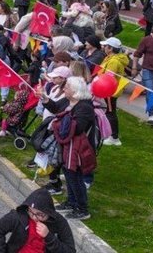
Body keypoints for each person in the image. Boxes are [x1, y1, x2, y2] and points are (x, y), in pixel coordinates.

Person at [42, 77, 96, 220]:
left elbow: (77, 128)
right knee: (68, 174)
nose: (63, 89)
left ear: (75, 90)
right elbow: (55, 108)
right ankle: (71, 202)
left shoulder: (85, 107)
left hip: (78, 149)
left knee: (76, 177)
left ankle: (82, 209)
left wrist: (57, 122)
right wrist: (44, 97)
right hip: (67, 146)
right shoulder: (68, 101)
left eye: (66, 87)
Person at [0, 187, 75, 252]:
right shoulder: (19, 216)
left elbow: (70, 250)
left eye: (40, 214)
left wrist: (49, 237)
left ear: (49, 212)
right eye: (31, 212)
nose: (34, 217)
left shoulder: (59, 222)